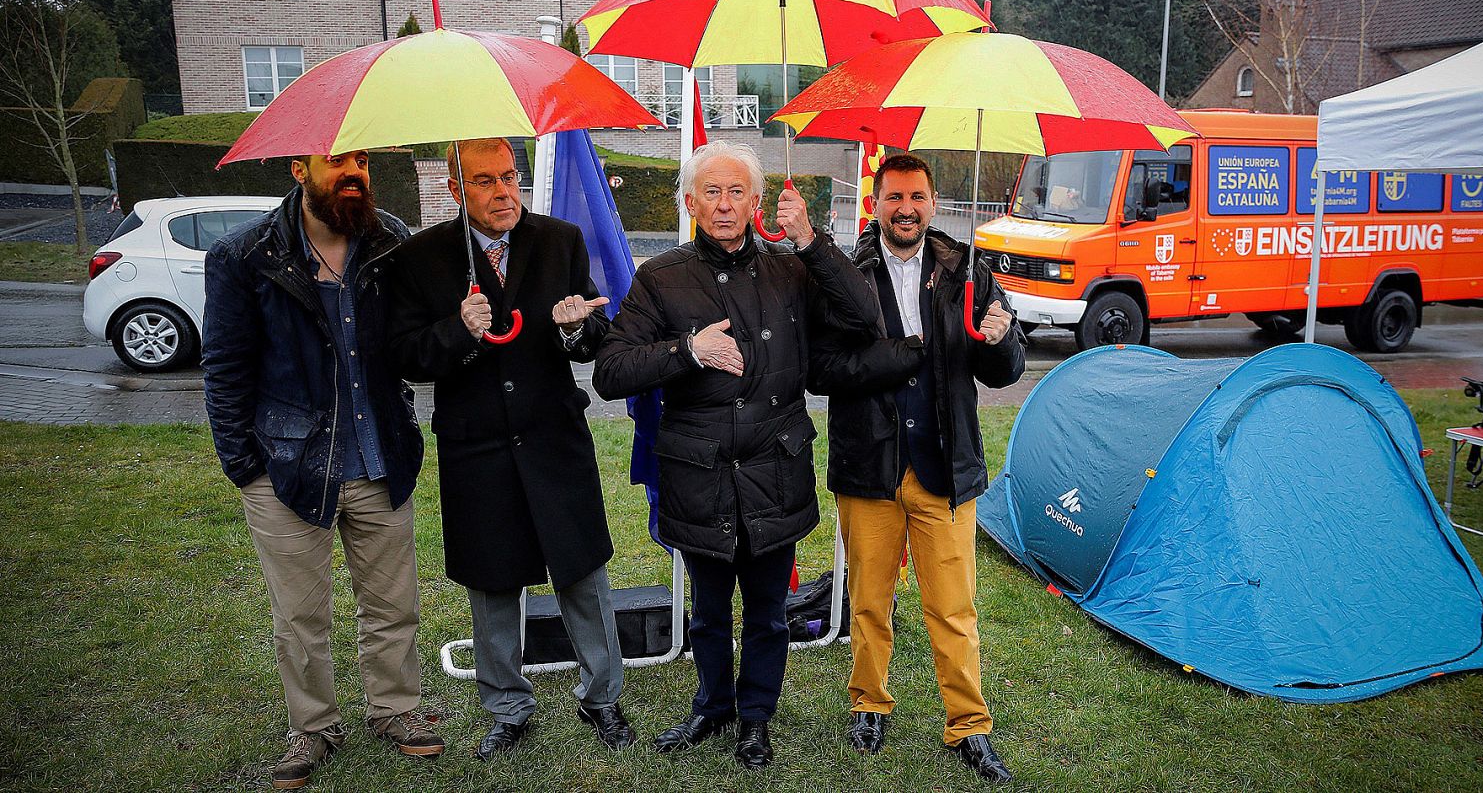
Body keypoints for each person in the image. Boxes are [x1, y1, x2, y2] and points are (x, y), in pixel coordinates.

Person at [592, 140, 878, 770]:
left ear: (757, 201)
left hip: (776, 467)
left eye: (736, 192)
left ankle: (756, 718)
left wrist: (811, 241)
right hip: (701, 475)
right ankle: (713, 704)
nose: (724, 205)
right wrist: (686, 351)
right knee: (709, 611)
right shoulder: (660, 277)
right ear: (690, 203)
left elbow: (864, 317)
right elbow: (610, 372)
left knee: (769, 613)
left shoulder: (792, 268)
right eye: (711, 193)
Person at [384, 137, 634, 759]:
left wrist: (577, 327)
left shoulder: (559, 241)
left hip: (553, 438)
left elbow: (594, 333)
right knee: (492, 580)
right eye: (485, 181)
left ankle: (601, 697)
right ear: (455, 189)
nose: (503, 192)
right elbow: (405, 355)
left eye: (509, 176)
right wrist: (458, 330)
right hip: (477, 448)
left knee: (583, 572)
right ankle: (507, 706)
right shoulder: (420, 258)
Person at [202, 151, 440, 790]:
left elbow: (411, 345)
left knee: (392, 604)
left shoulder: (389, 241)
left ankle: (395, 709)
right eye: (336, 160)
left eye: (360, 158)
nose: (353, 171)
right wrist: (244, 466)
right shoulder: (244, 256)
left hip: (379, 456)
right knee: (300, 615)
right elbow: (224, 368)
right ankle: (312, 727)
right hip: (288, 466)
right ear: (298, 170)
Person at [808, 153, 1025, 784]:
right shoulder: (846, 274)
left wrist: (1000, 339)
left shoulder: (968, 270)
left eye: (917, 197)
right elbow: (821, 369)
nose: (906, 209)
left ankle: (969, 725)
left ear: (933, 203)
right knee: (869, 602)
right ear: (874, 203)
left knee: (953, 608)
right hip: (869, 465)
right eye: (895, 197)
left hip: (944, 468)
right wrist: (899, 357)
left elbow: (1004, 369)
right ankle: (869, 704)